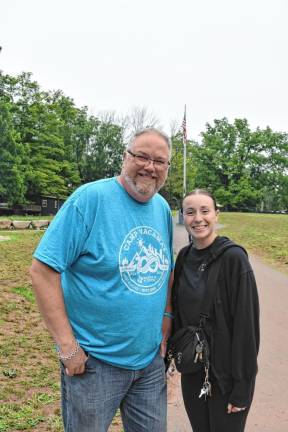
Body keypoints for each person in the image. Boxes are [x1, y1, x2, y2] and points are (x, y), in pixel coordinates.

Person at [30, 128, 174, 432]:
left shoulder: (161, 208)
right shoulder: (90, 199)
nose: (150, 166)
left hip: (148, 363)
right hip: (94, 363)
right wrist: (67, 347)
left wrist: (166, 317)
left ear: (167, 169)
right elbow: (43, 270)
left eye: (159, 161)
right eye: (142, 156)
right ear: (126, 157)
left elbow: (166, 268)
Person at [172, 189, 260, 432]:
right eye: (190, 212)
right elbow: (177, 312)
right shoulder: (184, 257)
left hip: (226, 376)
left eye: (204, 211)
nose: (198, 218)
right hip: (193, 370)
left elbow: (247, 327)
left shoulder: (234, 259)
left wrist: (242, 386)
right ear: (183, 216)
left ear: (216, 214)